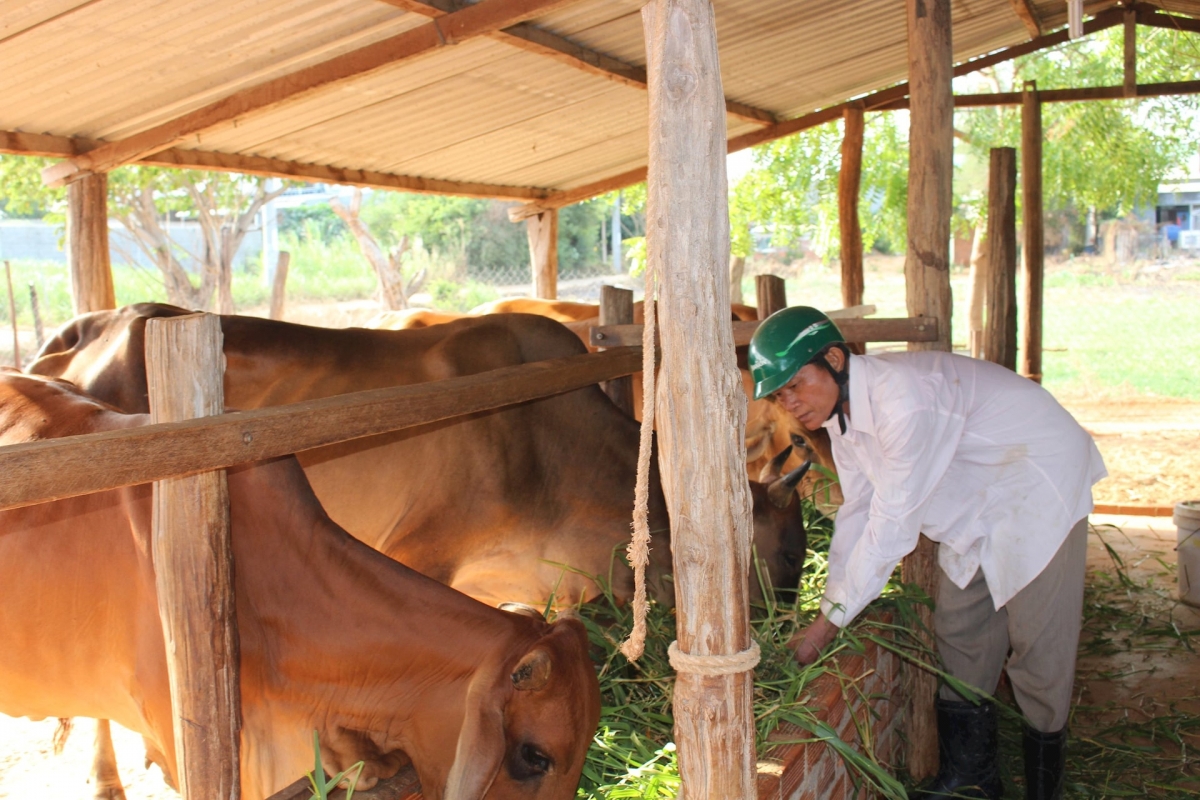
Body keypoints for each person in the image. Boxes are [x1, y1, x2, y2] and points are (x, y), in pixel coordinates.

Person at [748, 307, 1107, 800]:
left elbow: (891, 530)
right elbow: (858, 512)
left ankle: (1045, 790)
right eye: (778, 396)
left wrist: (824, 629)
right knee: (960, 629)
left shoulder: (903, 403)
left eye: (795, 385)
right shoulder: (843, 419)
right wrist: (829, 607)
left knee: (1038, 649)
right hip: (976, 495)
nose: (790, 404)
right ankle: (971, 780)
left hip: (1036, 483)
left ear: (833, 359)